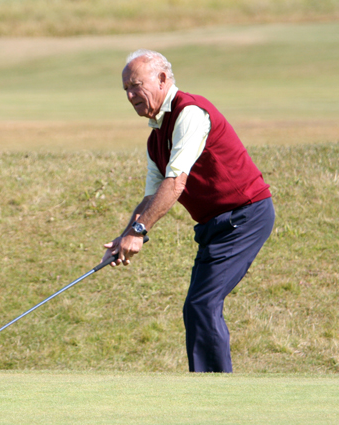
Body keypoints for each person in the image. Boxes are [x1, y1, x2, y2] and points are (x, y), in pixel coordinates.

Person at [103, 49, 275, 373]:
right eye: (125, 89)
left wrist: (138, 233)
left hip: (245, 215)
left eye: (136, 86)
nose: (130, 95)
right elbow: (150, 198)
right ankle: (209, 387)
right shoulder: (155, 139)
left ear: (162, 79)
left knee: (202, 304)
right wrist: (124, 236)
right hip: (216, 225)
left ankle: (214, 391)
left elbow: (174, 184)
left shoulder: (190, 113)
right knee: (198, 306)